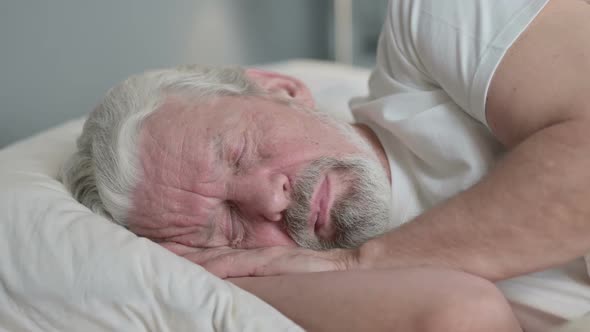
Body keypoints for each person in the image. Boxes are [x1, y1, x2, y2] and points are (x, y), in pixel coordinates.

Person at [62, 0, 590, 330]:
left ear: (282, 90)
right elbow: (460, 316)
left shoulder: (436, 16)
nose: (268, 201)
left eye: (240, 151)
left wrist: (366, 262)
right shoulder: (328, 297)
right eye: (223, 228)